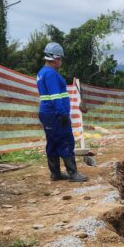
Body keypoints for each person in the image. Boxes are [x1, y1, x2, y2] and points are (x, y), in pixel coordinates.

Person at [37, 42, 87, 182]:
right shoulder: (51, 74)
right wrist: (62, 113)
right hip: (56, 114)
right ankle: (73, 174)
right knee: (66, 140)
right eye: (61, 58)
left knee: (52, 141)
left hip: (47, 114)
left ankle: (55, 173)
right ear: (55, 58)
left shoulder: (42, 72)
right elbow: (55, 96)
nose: (61, 61)